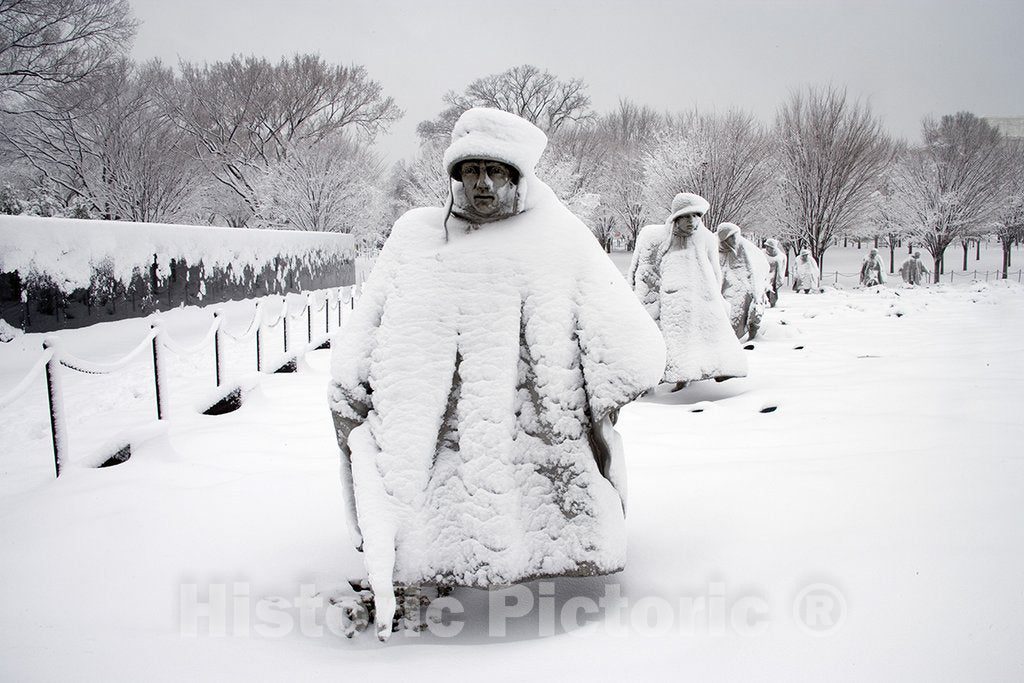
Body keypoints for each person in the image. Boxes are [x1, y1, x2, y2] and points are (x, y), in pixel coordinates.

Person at [328, 108, 666, 640]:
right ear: (456, 177)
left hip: (528, 421)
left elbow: (622, 330)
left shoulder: (557, 236)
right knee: (436, 507)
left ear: (518, 178)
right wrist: (351, 379)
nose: (483, 183)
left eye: (496, 171)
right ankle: (422, 579)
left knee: (533, 507)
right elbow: (370, 319)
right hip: (436, 423)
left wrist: (613, 379)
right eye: (471, 170)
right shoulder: (416, 237)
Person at [629, 193, 747, 388]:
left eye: (696, 216)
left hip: (702, 299)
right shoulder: (659, 238)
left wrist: (715, 299)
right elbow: (645, 271)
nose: (692, 221)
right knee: (675, 345)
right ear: (676, 217)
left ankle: (713, 371)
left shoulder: (707, 239)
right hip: (673, 301)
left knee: (705, 342)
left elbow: (715, 272)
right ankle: (675, 382)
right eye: (686, 216)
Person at [717, 222, 768, 340]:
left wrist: (756, 292)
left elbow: (754, 268)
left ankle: (738, 337)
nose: (735, 239)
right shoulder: (715, 248)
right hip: (722, 287)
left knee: (738, 313)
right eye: (731, 237)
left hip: (740, 285)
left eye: (736, 236)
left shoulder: (744, 248)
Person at [763, 238, 787, 307]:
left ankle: (772, 303)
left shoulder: (780, 256)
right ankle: (765, 303)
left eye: (769, 247)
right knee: (764, 290)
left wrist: (780, 278)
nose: (767, 248)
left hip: (774, 277)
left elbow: (782, 268)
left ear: (773, 247)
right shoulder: (762, 253)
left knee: (773, 291)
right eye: (766, 246)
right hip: (765, 276)